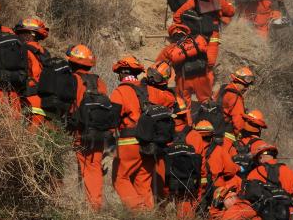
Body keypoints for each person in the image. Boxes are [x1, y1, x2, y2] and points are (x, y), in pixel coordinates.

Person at [65, 44, 111, 210]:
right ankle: (95, 204)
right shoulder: (101, 82)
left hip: (79, 131)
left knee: (85, 166)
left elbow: (71, 106)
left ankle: (88, 205)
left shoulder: (73, 80)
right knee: (94, 167)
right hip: (99, 132)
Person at [219, 140, 293, 220]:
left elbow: (247, 195)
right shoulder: (289, 172)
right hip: (285, 217)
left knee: (229, 218)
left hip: (263, 219)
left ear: (261, 157)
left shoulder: (255, 173)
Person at [110, 55, 157, 210]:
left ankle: (138, 212)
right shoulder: (149, 90)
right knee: (142, 181)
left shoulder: (120, 91)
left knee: (119, 178)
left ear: (122, 72)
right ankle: (149, 218)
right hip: (150, 143)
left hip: (129, 142)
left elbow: (113, 119)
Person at [156, 23, 213, 103]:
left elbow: (158, 65)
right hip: (202, 75)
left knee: (184, 105)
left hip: (183, 79)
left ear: (172, 36)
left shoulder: (170, 48)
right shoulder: (197, 40)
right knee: (207, 103)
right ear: (186, 32)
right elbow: (210, 56)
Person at [15, 17, 51, 129]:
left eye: (21, 33)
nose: (19, 36)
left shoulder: (23, 50)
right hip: (43, 103)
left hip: (28, 101)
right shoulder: (44, 52)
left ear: (30, 34)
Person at [217, 67, 256, 137]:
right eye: (245, 85)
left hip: (214, 124)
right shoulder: (236, 97)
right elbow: (238, 122)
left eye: (248, 86)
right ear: (237, 81)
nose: (246, 88)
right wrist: (240, 135)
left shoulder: (224, 87)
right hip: (223, 130)